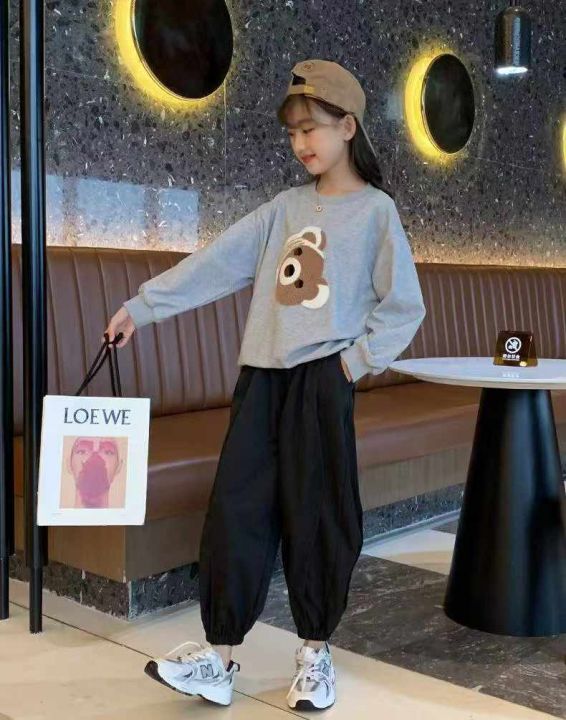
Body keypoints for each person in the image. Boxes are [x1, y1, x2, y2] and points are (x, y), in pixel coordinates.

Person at [104, 58, 426, 710]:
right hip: (262, 382)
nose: (301, 142)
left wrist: (353, 363)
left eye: (313, 128)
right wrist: (143, 307)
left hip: (322, 381)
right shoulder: (284, 209)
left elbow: (405, 307)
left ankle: (315, 655)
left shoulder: (376, 213)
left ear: (348, 127)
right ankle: (220, 659)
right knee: (236, 514)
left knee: (318, 516)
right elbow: (217, 262)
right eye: (293, 132)